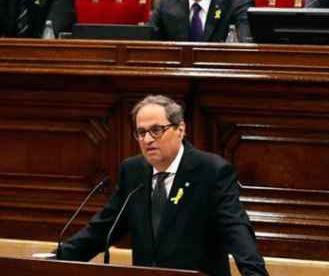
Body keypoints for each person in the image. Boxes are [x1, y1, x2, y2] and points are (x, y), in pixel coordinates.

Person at [57, 95, 269, 276]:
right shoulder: (133, 171)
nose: (148, 139)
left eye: (156, 130)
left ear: (180, 129)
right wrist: (55, 259)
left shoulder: (211, 171)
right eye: (141, 132)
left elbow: (236, 229)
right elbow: (103, 228)